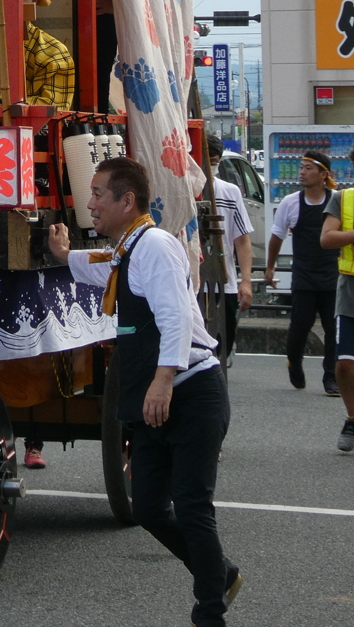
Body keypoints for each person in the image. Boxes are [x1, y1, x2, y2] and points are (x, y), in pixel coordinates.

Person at [49, 157, 240, 626]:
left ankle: (210, 610)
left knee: (193, 506)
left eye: (97, 195)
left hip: (191, 392)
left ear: (126, 200)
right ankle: (221, 573)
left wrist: (162, 380)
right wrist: (63, 256)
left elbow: (175, 315)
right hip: (160, 396)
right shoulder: (128, 249)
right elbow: (103, 270)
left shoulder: (153, 245)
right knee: (151, 508)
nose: (89, 203)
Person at [264, 149, 339, 394]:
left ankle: (331, 377)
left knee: (333, 328)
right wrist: (270, 266)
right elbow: (277, 236)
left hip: (333, 275)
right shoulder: (291, 202)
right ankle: (294, 361)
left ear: (323, 174)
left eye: (309, 168)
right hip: (304, 275)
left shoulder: (337, 199)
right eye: (301, 167)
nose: (302, 172)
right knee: (300, 326)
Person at [205, 136, 253, 361]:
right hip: (194, 283)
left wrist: (246, 281)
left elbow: (242, 240)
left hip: (225, 283)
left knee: (224, 344)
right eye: (206, 160)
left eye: (214, 161)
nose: (210, 166)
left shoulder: (230, 192)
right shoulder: (183, 189)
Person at [318, 172, 354, 451]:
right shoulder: (343, 198)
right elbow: (327, 238)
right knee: (343, 363)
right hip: (350, 290)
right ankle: (352, 418)